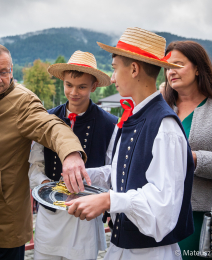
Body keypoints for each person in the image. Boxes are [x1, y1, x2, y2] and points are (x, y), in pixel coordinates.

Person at [66, 27, 195, 260]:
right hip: (123, 245)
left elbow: (163, 207)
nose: (112, 78)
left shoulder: (165, 127)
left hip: (151, 252)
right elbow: (122, 172)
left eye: (115, 69)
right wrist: (84, 175)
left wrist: (108, 199)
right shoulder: (133, 116)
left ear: (134, 69)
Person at [0, 43, 90, 260]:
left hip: (4, 212)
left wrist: (71, 153)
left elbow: (51, 126)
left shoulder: (23, 101)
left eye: (4, 72)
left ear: (12, 70)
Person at [28, 50, 118, 260]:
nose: (74, 92)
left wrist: (82, 177)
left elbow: (114, 170)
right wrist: (46, 185)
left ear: (94, 86)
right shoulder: (47, 118)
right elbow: (36, 165)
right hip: (49, 218)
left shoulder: (110, 124)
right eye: (69, 85)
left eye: (82, 87)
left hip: (84, 219)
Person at [164, 40, 212, 259]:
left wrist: (193, 158)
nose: (170, 71)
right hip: (163, 213)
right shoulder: (162, 108)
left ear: (198, 68)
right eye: (167, 67)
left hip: (202, 217)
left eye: (178, 64)